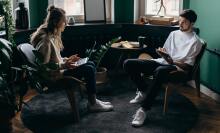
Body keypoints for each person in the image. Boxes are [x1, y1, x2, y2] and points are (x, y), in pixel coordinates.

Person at [123, 9, 202, 127]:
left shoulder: (195, 42)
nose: (180, 24)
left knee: (159, 71)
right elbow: (166, 51)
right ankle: (143, 90)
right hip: (163, 61)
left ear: (192, 23)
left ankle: (143, 110)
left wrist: (173, 61)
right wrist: (162, 52)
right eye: (179, 21)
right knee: (128, 63)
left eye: (184, 22)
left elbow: (188, 66)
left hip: (177, 68)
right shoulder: (174, 34)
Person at [30, 5, 113, 112]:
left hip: (60, 70)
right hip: (55, 76)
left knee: (90, 64)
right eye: (63, 21)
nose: (66, 24)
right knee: (89, 69)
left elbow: (55, 59)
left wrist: (67, 60)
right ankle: (93, 103)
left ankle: (93, 100)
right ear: (56, 23)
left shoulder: (52, 36)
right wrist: (64, 65)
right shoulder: (45, 41)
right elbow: (44, 68)